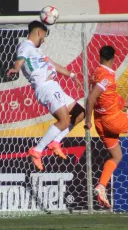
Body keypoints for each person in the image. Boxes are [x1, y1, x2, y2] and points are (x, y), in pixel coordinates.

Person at [7, 21, 85, 170]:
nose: (44, 40)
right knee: (64, 120)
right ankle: (37, 150)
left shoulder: (38, 53)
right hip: (45, 88)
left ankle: (55, 142)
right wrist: (16, 69)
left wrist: (72, 75)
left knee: (80, 113)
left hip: (54, 87)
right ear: (39, 33)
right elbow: (20, 59)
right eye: (44, 36)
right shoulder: (26, 46)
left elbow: (54, 65)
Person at [84, 45, 128, 209]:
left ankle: (101, 186)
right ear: (114, 58)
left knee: (116, 156)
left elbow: (112, 98)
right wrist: (87, 120)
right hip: (113, 120)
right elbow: (91, 98)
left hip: (102, 123)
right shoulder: (106, 76)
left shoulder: (95, 73)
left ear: (99, 56)